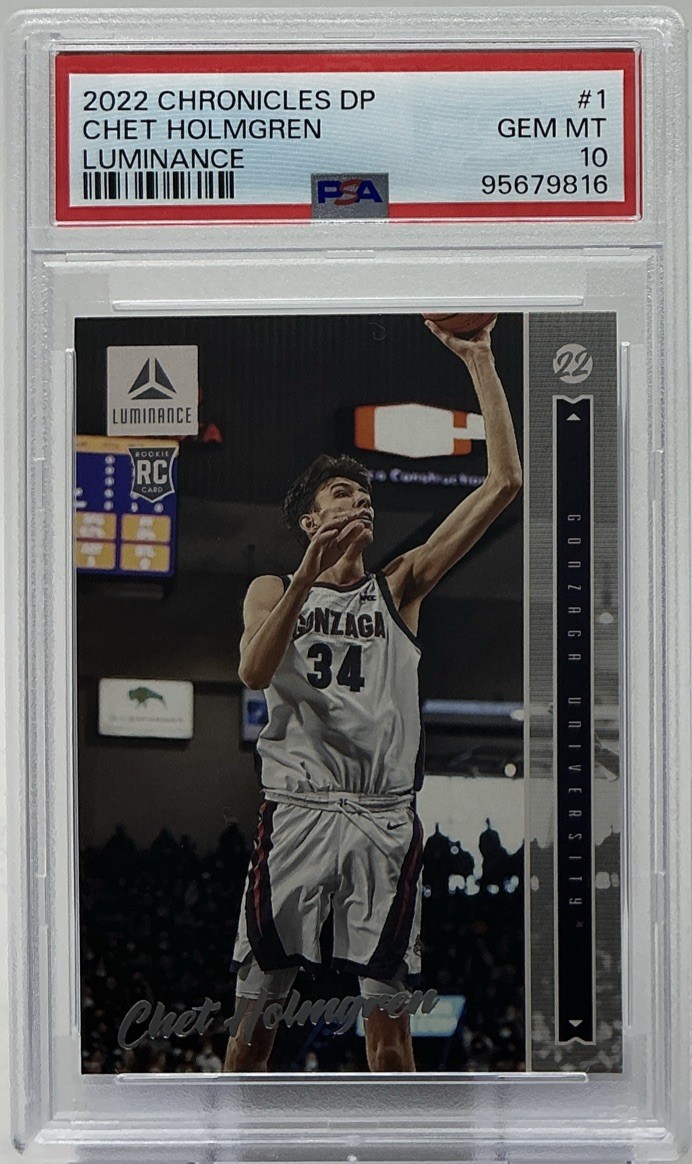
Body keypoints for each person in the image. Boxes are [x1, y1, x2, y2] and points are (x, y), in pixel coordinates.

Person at [224, 318, 522, 1072]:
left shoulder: (400, 585)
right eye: (341, 493)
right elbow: (254, 672)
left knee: (389, 1034)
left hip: (384, 818)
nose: (360, 502)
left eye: (365, 495)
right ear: (310, 518)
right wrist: (305, 574)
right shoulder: (271, 588)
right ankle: (234, 1131)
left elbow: (504, 485)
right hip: (297, 810)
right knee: (255, 1022)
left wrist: (480, 361)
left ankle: (397, 1132)